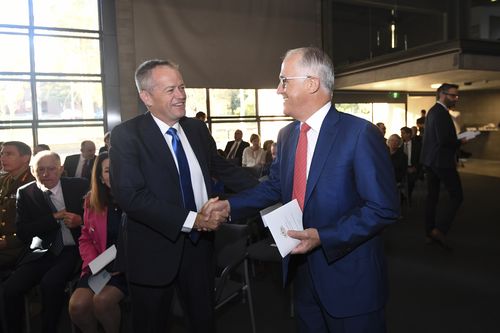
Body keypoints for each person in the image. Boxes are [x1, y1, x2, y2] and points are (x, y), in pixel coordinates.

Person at [205, 47, 399, 333]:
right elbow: (273, 186)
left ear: (312, 83)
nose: (278, 89)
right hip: (302, 274)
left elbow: (383, 208)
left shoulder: (359, 134)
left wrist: (324, 237)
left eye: (285, 80)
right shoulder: (287, 136)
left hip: (349, 281)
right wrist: (230, 206)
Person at [109, 59, 258, 333]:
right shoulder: (126, 136)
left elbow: (220, 167)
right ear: (146, 97)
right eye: (170, 90)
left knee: (203, 321)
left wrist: (268, 189)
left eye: (181, 86)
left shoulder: (196, 129)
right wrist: (194, 219)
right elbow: (131, 197)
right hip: (152, 251)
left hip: (199, 248)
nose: (181, 95)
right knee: (151, 324)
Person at [2, 150, 88, 333]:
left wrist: (81, 220)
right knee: (10, 288)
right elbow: (24, 232)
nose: (46, 174)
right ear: (33, 171)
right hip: (42, 251)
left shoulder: (79, 186)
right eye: (40, 170)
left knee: (50, 284)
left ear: (61, 169)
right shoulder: (26, 192)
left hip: (73, 249)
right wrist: (53, 217)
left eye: (51, 169)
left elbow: (99, 217)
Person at [68, 152, 126, 333]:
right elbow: (85, 237)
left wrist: (122, 263)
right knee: (77, 306)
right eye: (108, 171)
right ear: (100, 177)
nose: (114, 175)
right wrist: (95, 263)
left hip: (129, 266)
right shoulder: (91, 201)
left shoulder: (137, 199)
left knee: (101, 302)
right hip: (101, 263)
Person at [421, 83, 465, 248]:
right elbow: (444, 140)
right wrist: (461, 140)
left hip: (431, 160)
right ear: (442, 95)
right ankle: (439, 230)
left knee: (432, 197)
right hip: (441, 162)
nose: (455, 99)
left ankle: (429, 231)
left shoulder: (434, 111)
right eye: (453, 95)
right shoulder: (440, 113)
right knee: (457, 196)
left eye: (456, 96)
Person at [0, 141, 35, 269]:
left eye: (9, 154)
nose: (3, 158)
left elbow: (37, 225)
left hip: (18, 247)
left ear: (25, 158)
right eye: (2, 153)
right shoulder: (4, 180)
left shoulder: (34, 184)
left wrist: (7, 242)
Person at [400, 126, 422, 204]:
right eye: (401, 133)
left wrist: (415, 167)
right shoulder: (400, 145)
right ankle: (403, 196)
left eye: (403, 133)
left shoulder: (417, 145)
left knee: (410, 181)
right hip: (402, 168)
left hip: (413, 167)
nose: (401, 135)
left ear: (409, 134)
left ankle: (407, 197)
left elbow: (420, 158)